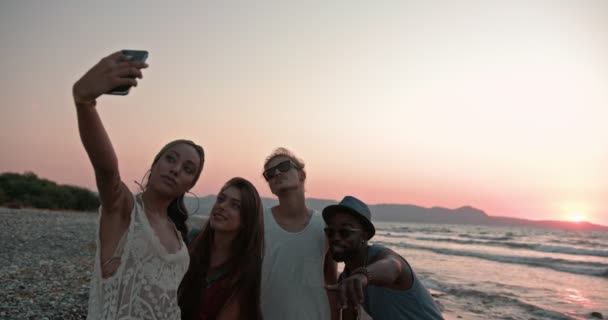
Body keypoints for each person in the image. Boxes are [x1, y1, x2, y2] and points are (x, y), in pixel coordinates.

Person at [73, 51, 205, 320]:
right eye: (170, 159)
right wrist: (84, 102)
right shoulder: (124, 211)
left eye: (188, 169)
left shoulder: (179, 233)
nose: (176, 169)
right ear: (155, 165)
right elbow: (107, 169)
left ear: (189, 184)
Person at [323, 196, 444, 320]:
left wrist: (363, 276)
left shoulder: (380, 256)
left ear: (364, 235)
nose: (335, 237)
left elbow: (394, 266)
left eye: (345, 231)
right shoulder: (347, 278)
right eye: (330, 232)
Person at [260, 148, 338, 320]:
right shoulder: (259, 222)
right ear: (271, 187)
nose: (277, 173)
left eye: (284, 166)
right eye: (270, 173)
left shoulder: (324, 225)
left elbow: (331, 282)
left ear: (302, 175)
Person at [178, 177, 264, 320]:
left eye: (235, 205)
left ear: (247, 219)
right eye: (220, 199)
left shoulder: (246, 268)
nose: (222, 206)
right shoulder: (192, 241)